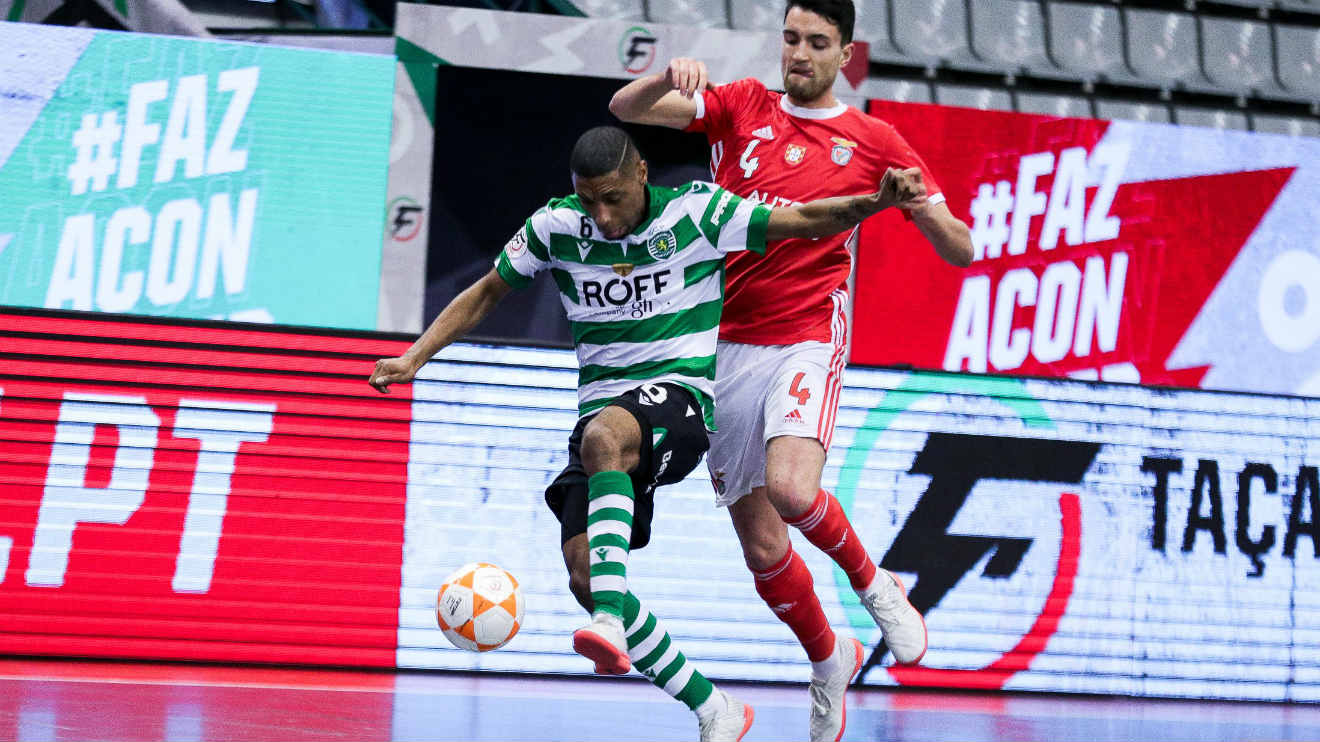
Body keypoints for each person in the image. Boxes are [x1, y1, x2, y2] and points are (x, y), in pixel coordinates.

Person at [368, 125, 926, 742]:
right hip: (603, 415)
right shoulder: (555, 227)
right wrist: (415, 356)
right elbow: (486, 292)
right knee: (585, 574)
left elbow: (803, 219)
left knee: (608, 447)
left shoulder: (697, 212)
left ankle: (613, 619)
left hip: (680, 400)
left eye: (612, 198)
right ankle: (714, 708)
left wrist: (876, 202)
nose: (602, 218)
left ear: (640, 173)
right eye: (588, 201)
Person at [609, 1, 974, 739]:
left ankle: (877, 588)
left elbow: (961, 248)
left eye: (816, 42)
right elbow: (624, 108)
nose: (799, 53)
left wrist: (921, 208)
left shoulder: (874, 140)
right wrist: (665, 78)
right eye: (790, 38)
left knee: (792, 488)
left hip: (807, 332)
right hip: (726, 343)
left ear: (845, 53)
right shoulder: (743, 105)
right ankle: (830, 659)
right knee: (763, 547)